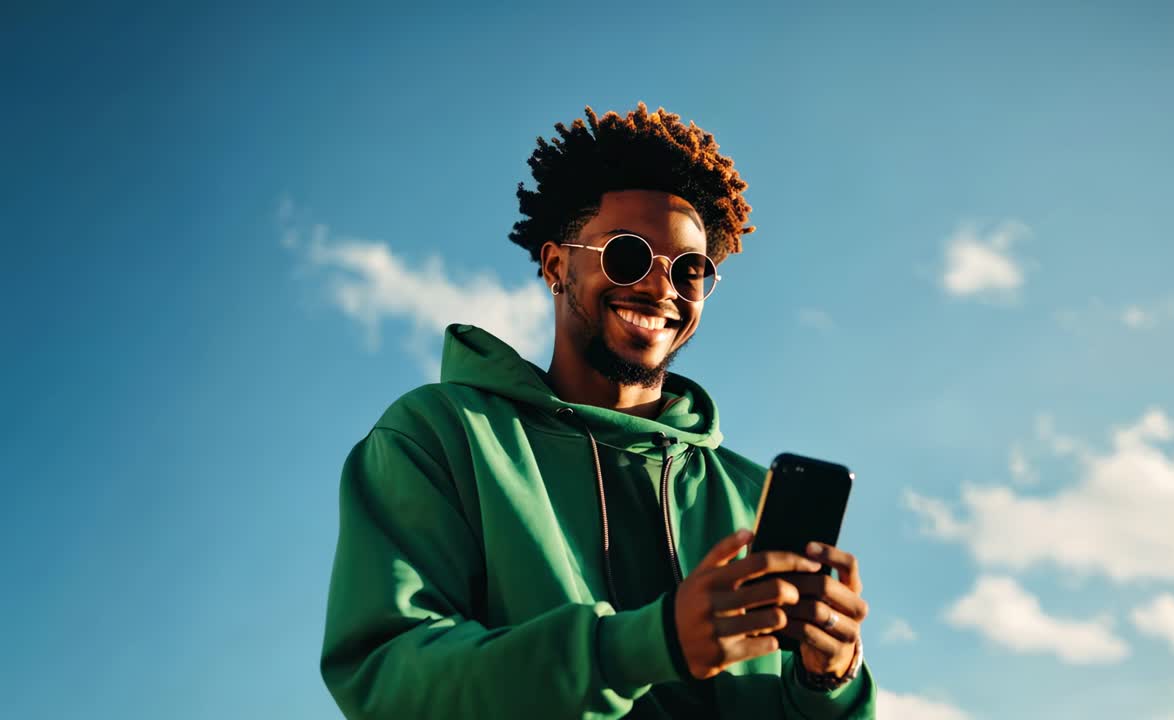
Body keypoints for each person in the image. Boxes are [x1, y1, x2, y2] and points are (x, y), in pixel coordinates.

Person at [320, 103, 876, 719]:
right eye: (629, 256)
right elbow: (388, 683)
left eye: (690, 271)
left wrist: (831, 683)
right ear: (557, 265)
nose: (662, 287)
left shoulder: (748, 496)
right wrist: (644, 646)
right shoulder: (444, 436)